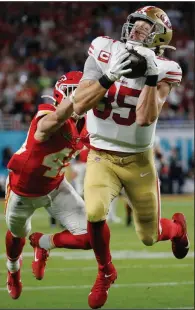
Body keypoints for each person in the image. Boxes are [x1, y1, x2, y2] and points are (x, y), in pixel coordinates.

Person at [69, 6, 189, 309]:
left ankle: (176, 228)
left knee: (149, 236)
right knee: (95, 213)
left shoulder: (166, 68)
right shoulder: (103, 49)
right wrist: (109, 76)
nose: (136, 29)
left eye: (146, 27)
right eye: (135, 23)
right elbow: (79, 105)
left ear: (159, 36)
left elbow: (146, 117)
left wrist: (150, 77)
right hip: (101, 155)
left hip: (138, 161)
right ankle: (105, 272)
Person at [4, 71, 94, 300]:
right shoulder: (48, 113)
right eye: (78, 92)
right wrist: (74, 101)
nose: (84, 97)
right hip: (22, 190)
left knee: (90, 237)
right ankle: (13, 271)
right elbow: (47, 126)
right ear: (63, 95)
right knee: (17, 234)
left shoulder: (86, 123)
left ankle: (43, 243)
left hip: (55, 187)